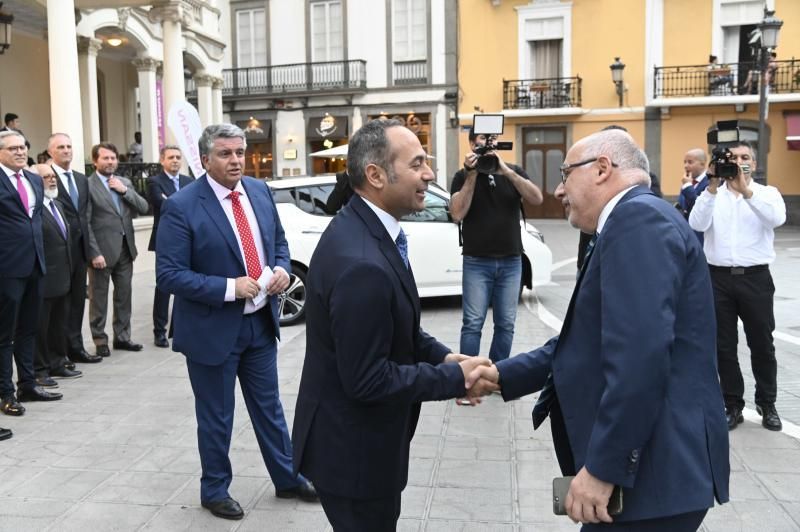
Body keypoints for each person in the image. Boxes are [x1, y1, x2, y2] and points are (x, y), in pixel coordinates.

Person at [472, 129, 730, 530]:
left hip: (654, 476)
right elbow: (591, 338)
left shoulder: (637, 220)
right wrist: (502, 374)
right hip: (654, 475)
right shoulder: (632, 220)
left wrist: (605, 468)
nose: (558, 190)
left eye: (564, 174)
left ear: (602, 169)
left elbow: (639, 358)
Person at [292, 119, 495, 531]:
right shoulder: (362, 262)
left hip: (356, 447)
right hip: (355, 458)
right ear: (376, 175)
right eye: (418, 163)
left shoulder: (367, 229)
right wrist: (452, 379)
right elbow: (367, 380)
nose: (430, 174)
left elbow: (397, 326)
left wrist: (444, 356)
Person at [156, 124, 318, 521]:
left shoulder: (259, 192)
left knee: (270, 408)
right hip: (212, 331)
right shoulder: (182, 206)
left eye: (240, 153)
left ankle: (288, 477)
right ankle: (214, 490)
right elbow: (169, 275)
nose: (235, 161)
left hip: (259, 324)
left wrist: (280, 269)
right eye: (226, 154)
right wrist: (230, 287)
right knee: (217, 415)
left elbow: (277, 243)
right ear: (206, 159)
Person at [689, 141, 786, 432]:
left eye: (745, 157)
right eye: (733, 158)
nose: (740, 162)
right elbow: (696, 222)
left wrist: (746, 192)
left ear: (754, 164)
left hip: (755, 278)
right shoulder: (712, 195)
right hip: (717, 278)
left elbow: (776, 218)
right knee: (724, 346)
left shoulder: (767, 194)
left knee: (762, 344)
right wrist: (711, 186)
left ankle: (767, 403)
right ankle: (733, 404)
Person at [449, 128, 543, 363]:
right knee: (472, 323)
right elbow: (457, 214)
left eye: (493, 138)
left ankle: (496, 374)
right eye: (483, 138)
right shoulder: (462, 176)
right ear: (472, 144)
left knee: (506, 323)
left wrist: (506, 171)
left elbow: (536, 198)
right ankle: (468, 378)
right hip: (476, 261)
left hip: (511, 261)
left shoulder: (513, 171)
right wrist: (472, 175)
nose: (489, 143)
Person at [0, 131, 62, 421]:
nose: (20, 152)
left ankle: (27, 385)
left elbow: (34, 220)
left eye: (23, 147)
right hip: (6, 268)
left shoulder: (34, 179)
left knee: (28, 329)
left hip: (35, 265)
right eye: (13, 148)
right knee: (4, 334)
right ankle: (5, 394)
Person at [86, 142, 149, 357]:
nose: (110, 162)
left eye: (113, 158)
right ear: (95, 161)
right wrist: (94, 252)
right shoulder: (88, 185)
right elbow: (86, 223)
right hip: (101, 253)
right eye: (105, 158)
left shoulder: (124, 182)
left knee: (124, 296)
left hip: (125, 250)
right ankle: (100, 339)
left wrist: (124, 192)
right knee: (98, 298)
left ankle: (122, 337)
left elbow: (143, 207)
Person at [49, 133, 102, 365]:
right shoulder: (44, 177)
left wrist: (91, 250)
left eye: (69, 146)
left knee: (78, 302)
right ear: (51, 151)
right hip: (58, 253)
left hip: (80, 252)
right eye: (61, 147)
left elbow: (85, 217)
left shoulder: (81, 179)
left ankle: (75, 347)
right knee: (60, 306)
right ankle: (58, 354)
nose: (66, 150)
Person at [30, 164, 82, 387]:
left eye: (53, 176)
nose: (52, 180)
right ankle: (39, 370)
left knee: (58, 324)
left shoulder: (57, 204)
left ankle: (58, 362)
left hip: (63, 278)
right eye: (45, 177)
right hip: (43, 279)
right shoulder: (33, 209)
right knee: (40, 328)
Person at [147, 145, 194, 348]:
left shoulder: (188, 182)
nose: (175, 160)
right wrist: (179, 203)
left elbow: (191, 205)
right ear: (162, 160)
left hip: (190, 240)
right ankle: (160, 331)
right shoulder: (154, 182)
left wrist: (173, 201)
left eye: (178, 157)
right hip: (165, 240)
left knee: (188, 284)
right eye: (171, 157)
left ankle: (181, 326)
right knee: (164, 286)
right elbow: (162, 203)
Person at [675, 148, 709, 243]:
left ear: (702, 164)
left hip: (701, 238)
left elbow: (700, 207)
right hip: (686, 235)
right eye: (684, 162)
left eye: (690, 162)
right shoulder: (687, 182)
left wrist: (688, 186)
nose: (686, 166)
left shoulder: (710, 183)